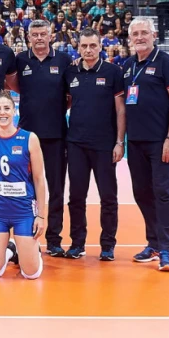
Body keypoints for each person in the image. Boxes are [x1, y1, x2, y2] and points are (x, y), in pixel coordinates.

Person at [123, 17, 169, 272]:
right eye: (135, 33)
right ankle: (154, 243)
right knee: (142, 193)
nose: (140, 37)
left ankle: (166, 250)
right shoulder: (127, 66)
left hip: (160, 143)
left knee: (164, 194)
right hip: (135, 144)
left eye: (144, 32)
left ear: (154, 35)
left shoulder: (165, 62)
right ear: (130, 38)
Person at [64, 28, 125, 260]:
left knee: (108, 197)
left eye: (92, 45)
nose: (88, 50)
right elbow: (67, 102)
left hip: (104, 145)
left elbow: (121, 109)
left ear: (100, 47)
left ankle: (107, 245)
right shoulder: (71, 72)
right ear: (78, 48)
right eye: (84, 46)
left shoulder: (113, 72)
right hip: (76, 144)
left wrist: (119, 142)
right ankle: (77, 243)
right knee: (76, 197)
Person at [13, 20, 72, 257]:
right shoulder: (20, 60)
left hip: (56, 135)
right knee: (25, 189)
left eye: (43, 34)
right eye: (35, 34)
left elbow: (70, 95)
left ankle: (54, 239)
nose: (39, 38)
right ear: (29, 37)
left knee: (56, 189)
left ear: (50, 36)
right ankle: (26, 239)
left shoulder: (64, 60)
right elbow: (14, 85)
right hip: (27, 136)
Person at [0, 91, 46, 280]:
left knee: (31, 274)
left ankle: (33, 252)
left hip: (23, 210)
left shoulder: (29, 138)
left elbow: (39, 179)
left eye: (6, 108)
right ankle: (11, 249)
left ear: (14, 111)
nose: (2, 112)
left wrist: (41, 215)